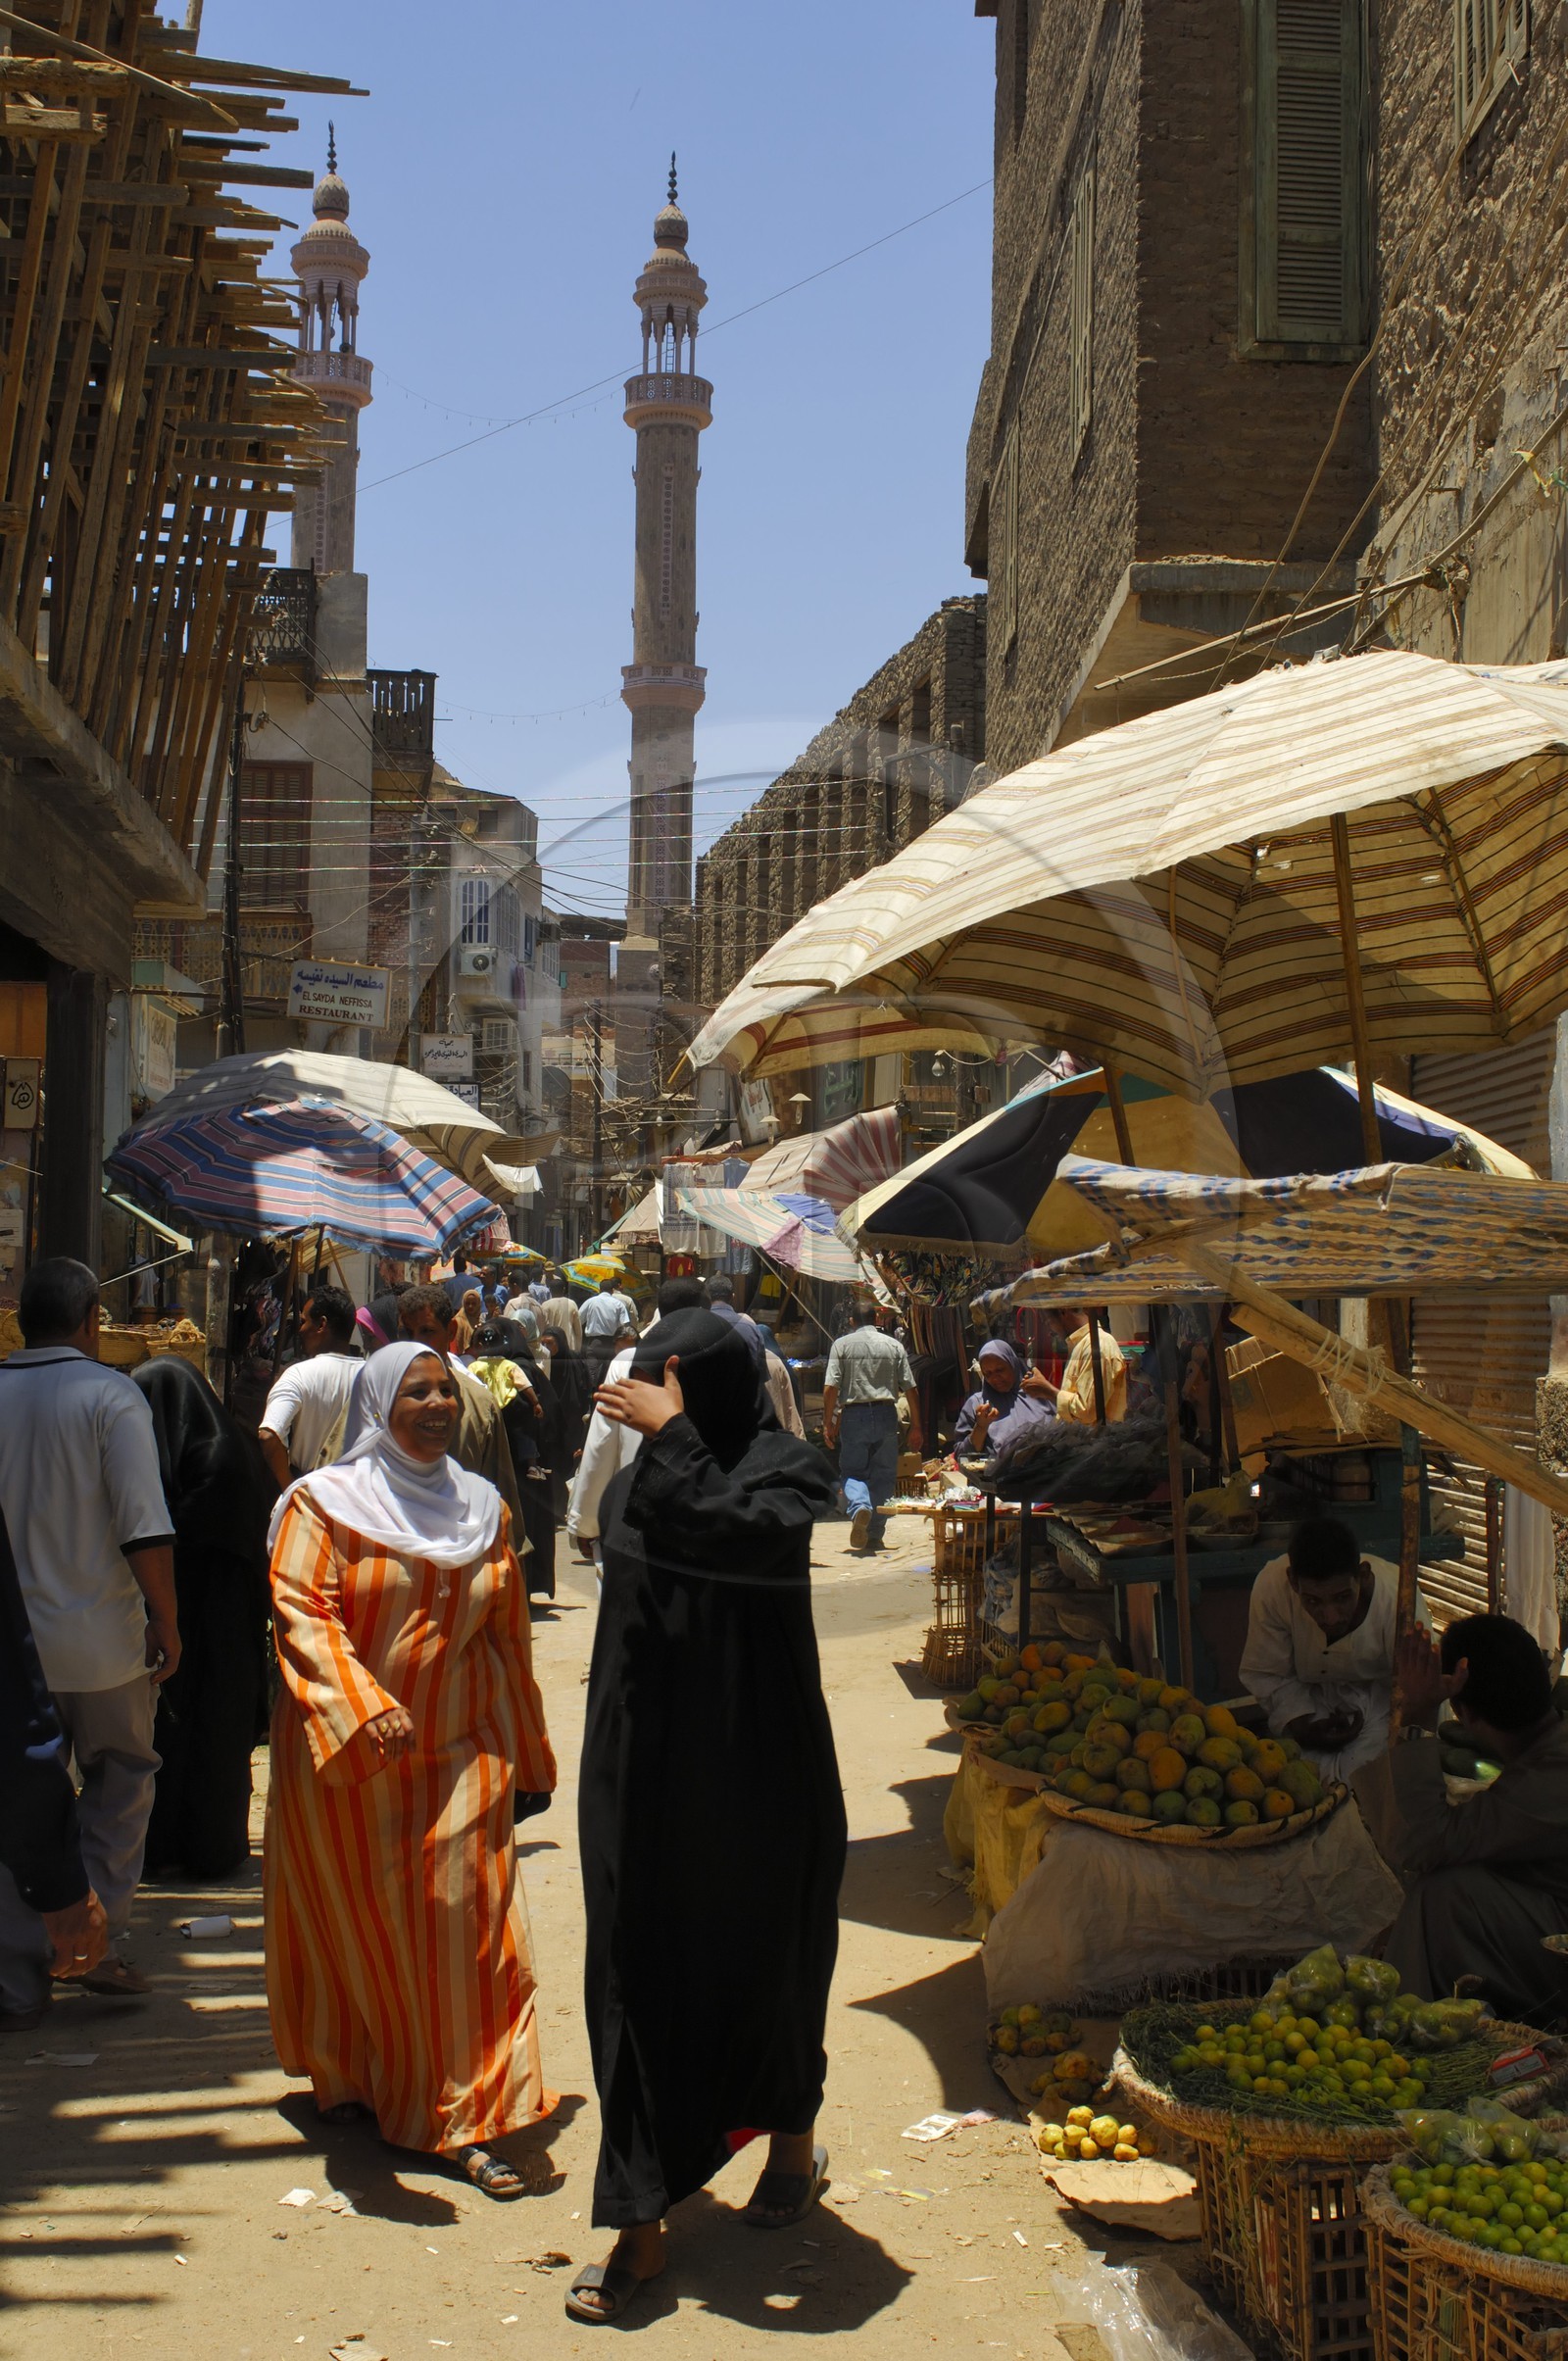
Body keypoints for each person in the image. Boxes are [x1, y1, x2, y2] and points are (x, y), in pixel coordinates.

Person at [568, 1311, 844, 2324]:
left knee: (773, 1959)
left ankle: (793, 2141)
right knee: (635, 1974)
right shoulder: (643, 1481)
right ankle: (639, 2223)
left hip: (761, 1777)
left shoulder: (786, 1471)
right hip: (647, 1778)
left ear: (692, 1383)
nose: (645, 1407)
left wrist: (675, 1434)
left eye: (662, 1388)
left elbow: (738, 1527)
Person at [266, 1343, 557, 2196]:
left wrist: (526, 1748)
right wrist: (358, 1704)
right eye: (415, 1391)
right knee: (353, 1921)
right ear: (376, 1405)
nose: (436, 1405)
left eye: (445, 1392)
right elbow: (300, 1606)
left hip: (461, 1750)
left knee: (460, 1923)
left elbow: (506, 1636)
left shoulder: (484, 1508)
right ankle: (352, 2070)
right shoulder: (320, 1504)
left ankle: (459, 2115)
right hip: (351, 1761)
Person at [0, 1257, 176, 2004]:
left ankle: (15, 1972)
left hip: (14, 1651)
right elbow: (143, 1526)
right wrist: (167, 1620)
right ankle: (91, 1940)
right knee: (122, 1779)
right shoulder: (112, 1396)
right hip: (103, 1644)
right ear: (90, 1320)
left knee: (16, 1797)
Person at [1354, 1615, 1568, 2019]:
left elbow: (1421, 1843)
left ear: (1462, 1712)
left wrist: (1417, 1716)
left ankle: (1402, 2034)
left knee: (1443, 1895)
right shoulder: (1549, 1754)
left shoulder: (1550, 1777)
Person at [132, 1357, 274, 1881]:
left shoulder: (207, 1462)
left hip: (195, 1617)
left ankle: (166, 1846)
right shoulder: (228, 1447)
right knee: (216, 1732)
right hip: (228, 1626)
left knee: (175, 1730)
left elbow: (173, 1541)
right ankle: (212, 1847)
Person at [0, 1508, 108, 2025]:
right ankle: (86, 1944)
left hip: (50, 1635)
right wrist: (62, 1885)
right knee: (125, 1768)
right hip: (99, 1637)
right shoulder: (116, 1420)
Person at [1239, 1515, 1431, 1781]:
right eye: (1313, 1601)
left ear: (1362, 1576)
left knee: (1369, 1786)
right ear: (1293, 1582)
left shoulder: (1399, 1602)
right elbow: (1268, 1672)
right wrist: (1302, 1722)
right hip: (1307, 1698)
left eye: (1342, 1598)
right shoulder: (1272, 1588)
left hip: (1382, 1703)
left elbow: (1419, 1694)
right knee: (1298, 1781)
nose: (1330, 1617)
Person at [566, 1278, 705, 1562]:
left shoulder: (627, 1360)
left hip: (635, 1509)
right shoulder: (724, 1354)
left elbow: (602, 1440)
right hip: (704, 1511)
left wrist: (587, 1521)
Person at [822, 1301, 922, 1553]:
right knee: (884, 1475)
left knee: (853, 1472)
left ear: (852, 1321)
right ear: (877, 1319)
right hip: (887, 1415)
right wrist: (917, 1426)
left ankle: (859, 1507)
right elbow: (911, 1388)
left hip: (854, 1416)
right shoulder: (894, 1345)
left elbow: (830, 1388)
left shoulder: (841, 1345)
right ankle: (875, 1534)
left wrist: (828, 1422)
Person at [468, 1319, 559, 1599]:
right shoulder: (523, 1368)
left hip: (487, 1469)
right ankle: (524, 1589)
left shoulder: (475, 1369)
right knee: (524, 1525)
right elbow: (550, 1413)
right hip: (524, 1473)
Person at [259, 1284, 361, 1486]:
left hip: (311, 1495)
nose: (300, 1329)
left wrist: (290, 1487)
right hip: (359, 1500)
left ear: (321, 1325)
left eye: (304, 1321)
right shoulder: (374, 1377)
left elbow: (269, 1435)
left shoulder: (299, 1374)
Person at [954, 1339, 1054, 1461]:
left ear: (1013, 1364)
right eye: (988, 1374)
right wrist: (981, 1427)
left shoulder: (1040, 1395)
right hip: (997, 1479)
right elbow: (962, 1457)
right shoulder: (978, 1405)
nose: (995, 1378)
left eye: (1000, 1370)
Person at [1021, 1308, 1127, 1424]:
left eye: (1049, 1322)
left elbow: (1087, 1412)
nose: (1049, 1330)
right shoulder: (1081, 1345)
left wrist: (1048, 1391)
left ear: (1063, 1312)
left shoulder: (1098, 1345)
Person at [581, 1274, 638, 1386]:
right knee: (609, 1372)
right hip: (612, 1344)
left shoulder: (590, 1302)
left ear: (599, 1289)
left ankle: (593, 1396)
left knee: (592, 1373)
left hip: (594, 1343)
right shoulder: (618, 1304)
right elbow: (625, 1325)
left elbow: (578, 1319)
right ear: (612, 1290)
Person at [704, 1272, 765, 1365]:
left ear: (706, 1297)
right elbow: (761, 1373)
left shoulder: (692, 1326)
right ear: (733, 1297)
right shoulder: (751, 1328)